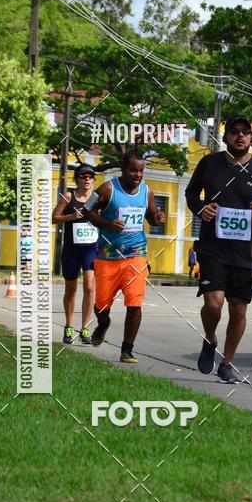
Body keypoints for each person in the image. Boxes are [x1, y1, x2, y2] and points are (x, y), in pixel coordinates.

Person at [185, 114, 252, 384]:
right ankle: (210, 339)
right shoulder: (210, 164)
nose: (241, 136)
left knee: (238, 309)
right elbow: (190, 194)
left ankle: (227, 363)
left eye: (246, 132)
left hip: (244, 253)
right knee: (213, 303)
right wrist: (201, 208)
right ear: (226, 136)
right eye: (235, 131)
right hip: (212, 248)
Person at [83, 151, 165, 363]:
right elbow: (86, 211)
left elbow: (152, 217)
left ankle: (127, 349)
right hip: (108, 256)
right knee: (101, 305)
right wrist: (107, 224)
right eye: (133, 170)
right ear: (123, 168)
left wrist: (158, 219)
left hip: (136, 254)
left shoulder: (146, 192)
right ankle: (103, 323)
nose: (138, 175)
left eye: (141, 171)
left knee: (135, 302)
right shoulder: (108, 189)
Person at [52, 164, 99, 344]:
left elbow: (108, 217)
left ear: (93, 179)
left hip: (91, 248)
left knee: (89, 287)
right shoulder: (69, 196)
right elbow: (54, 218)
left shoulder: (97, 198)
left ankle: (85, 328)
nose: (87, 179)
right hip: (72, 248)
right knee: (70, 290)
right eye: (83, 176)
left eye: (90, 176)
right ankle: (69, 326)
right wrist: (70, 217)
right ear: (77, 179)